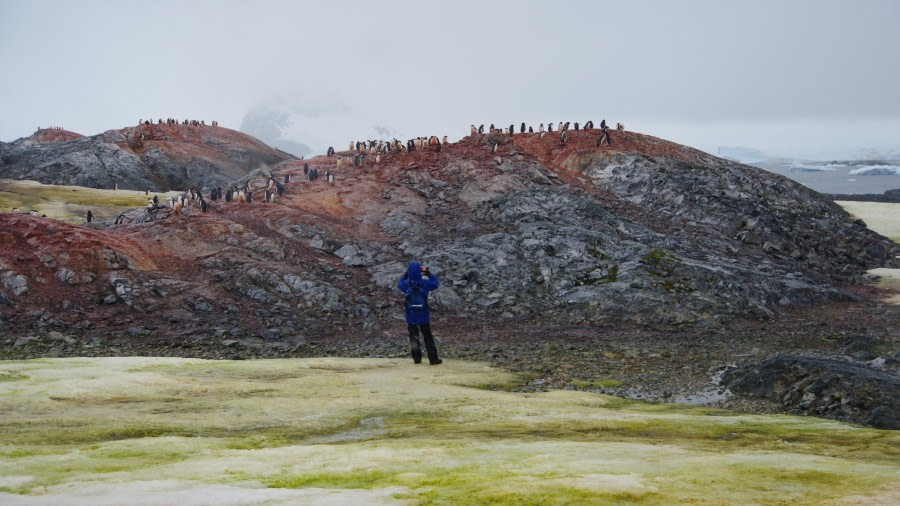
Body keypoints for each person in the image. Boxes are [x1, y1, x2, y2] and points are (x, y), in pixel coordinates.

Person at [397, 262, 442, 365]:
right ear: (419, 271)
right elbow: (436, 283)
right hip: (423, 315)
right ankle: (433, 359)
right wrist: (428, 273)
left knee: (413, 336)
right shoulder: (425, 283)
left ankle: (417, 359)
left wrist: (407, 274)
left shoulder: (405, 284)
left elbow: (400, 284)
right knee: (427, 336)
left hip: (411, 315)